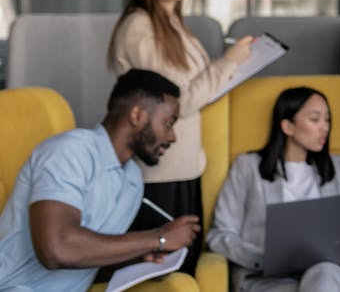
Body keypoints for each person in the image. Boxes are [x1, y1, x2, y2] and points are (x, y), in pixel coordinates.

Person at [107, 0, 254, 275]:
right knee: (167, 276)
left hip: (184, 168)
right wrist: (228, 62)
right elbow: (174, 104)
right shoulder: (140, 27)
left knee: (185, 271)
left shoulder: (173, 25)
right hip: (160, 175)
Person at [0, 69, 200, 291]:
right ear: (137, 116)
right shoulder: (69, 151)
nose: (172, 136)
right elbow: (56, 249)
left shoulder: (132, 180)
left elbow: (85, 263)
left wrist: (140, 260)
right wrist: (159, 237)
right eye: (169, 123)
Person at [207, 86, 340, 292]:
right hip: (267, 278)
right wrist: (260, 258)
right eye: (315, 119)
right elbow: (220, 234)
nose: (324, 127)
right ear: (288, 126)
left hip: (323, 272)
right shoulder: (247, 166)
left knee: (326, 275)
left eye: (327, 119)